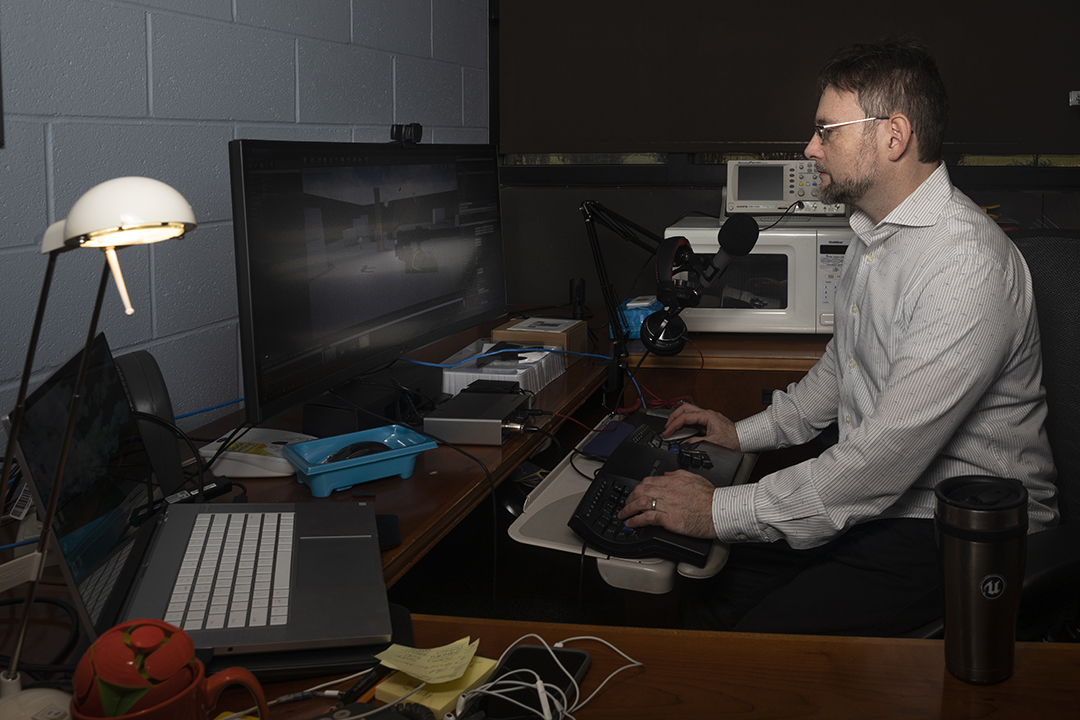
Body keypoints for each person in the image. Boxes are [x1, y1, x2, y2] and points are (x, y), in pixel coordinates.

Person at [617, 38, 1059, 635]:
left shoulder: (964, 266)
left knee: (759, 640)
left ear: (893, 136)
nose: (809, 147)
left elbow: (880, 464)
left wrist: (719, 506)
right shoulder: (874, 236)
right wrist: (743, 433)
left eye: (827, 131)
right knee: (715, 578)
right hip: (888, 503)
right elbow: (840, 370)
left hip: (963, 527)